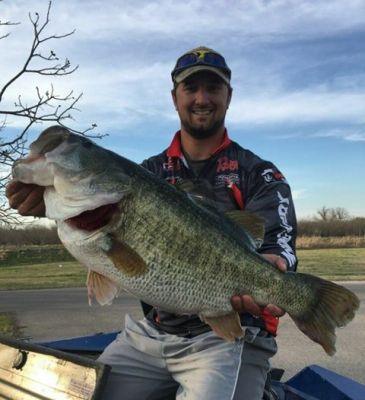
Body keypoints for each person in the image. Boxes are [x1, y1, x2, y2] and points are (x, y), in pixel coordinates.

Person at [6, 46, 297, 400]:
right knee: (81, 393)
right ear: (175, 98)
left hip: (231, 337)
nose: (201, 98)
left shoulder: (259, 174)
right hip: (152, 334)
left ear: (228, 96)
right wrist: (48, 204)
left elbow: (276, 245)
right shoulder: (148, 174)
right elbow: (100, 232)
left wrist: (276, 268)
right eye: (191, 88)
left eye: (212, 88)